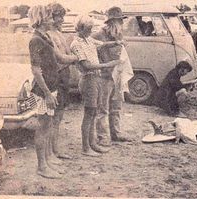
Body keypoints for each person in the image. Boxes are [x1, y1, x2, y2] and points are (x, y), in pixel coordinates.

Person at [70, 15, 122, 156]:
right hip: (88, 79)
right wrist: (107, 65)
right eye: (88, 28)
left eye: (91, 28)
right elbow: (86, 65)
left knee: (93, 112)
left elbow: (102, 44)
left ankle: (92, 144)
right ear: (80, 28)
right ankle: (86, 147)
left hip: (95, 79)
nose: (90, 30)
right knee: (89, 113)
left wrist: (117, 42)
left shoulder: (88, 39)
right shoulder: (76, 44)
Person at [28, 5, 63, 179]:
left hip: (51, 88)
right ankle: (41, 167)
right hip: (44, 91)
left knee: (48, 125)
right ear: (41, 19)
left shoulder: (45, 37)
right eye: (49, 17)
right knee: (43, 127)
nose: (52, 20)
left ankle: (46, 162)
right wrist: (48, 94)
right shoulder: (36, 40)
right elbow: (36, 70)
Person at [92, 7, 134, 146]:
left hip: (117, 76)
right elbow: (92, 45)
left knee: (116, 106)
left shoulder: (119, 35)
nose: (121, 24)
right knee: (102, 108)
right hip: (103, 76)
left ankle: (116, 133)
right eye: (119, 21)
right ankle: (103, 136)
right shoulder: (99, 35)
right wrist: (113, 44)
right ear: (112, 22)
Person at [46, 3, 78, 161]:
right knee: (53, 118)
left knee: (58, 117)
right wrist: (77, 58)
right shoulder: (48, 35)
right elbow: (60, 58)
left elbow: (68, 52)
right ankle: (53, 152)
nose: (62, 19)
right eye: (59, 16)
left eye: (62, 16)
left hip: (64, 77)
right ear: (51, 16)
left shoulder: (59, 33)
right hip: (56, 77)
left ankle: (55, 150)